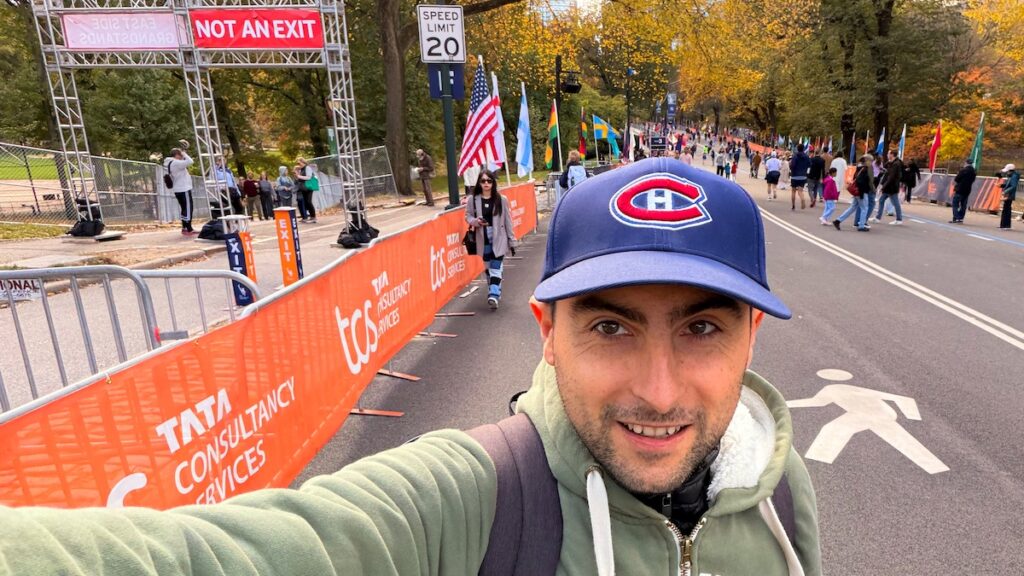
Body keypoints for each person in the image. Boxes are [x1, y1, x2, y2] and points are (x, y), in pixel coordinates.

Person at [0, 158, 822, 575]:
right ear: (546, 330)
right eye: (611, 327)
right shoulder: (477, 500)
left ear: (751, 337)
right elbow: (217, 556)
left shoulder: (781, 490)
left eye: (702, 329)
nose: (658, 390)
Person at [464, 169, 517, 310]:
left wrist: (512, 241)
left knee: (495, 266)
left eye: (489, 181)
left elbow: (508, 221)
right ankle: (495, 289)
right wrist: (476, 221)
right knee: (489, 268)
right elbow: (467, 216)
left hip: (499, 237)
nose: (486, 183)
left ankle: (493, 295)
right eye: (483, 181)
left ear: (493, 183)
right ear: (479, 183)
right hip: (483, 237)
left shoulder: (501, 199)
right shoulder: (473, 200)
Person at [833, 155, 874, 231]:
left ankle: (838, 220)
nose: (871, 163)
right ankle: (861, 226)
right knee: (864, 208)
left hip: (856, 192)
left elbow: (856, 179)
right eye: (871, 161)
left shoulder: (859, 168)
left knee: (852, 208)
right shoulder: (865, 170)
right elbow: (862, 182)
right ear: (867, 161)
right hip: (861, 192)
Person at [164, 145, 196, 236]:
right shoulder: (176, 163)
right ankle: (188, 228)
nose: (182, 156)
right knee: (188, 208)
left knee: (184, 208)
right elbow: (190, 161)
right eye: (180, 154)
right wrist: (184, 153)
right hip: (184, 188)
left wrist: (183, 151)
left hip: (178, 189)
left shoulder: (171, 163)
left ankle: (185, 227)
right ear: (177, 154)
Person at [872, 150, 904, 225]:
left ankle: (899, 219)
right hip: (888, 186)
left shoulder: (896, 164)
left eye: (888, 153)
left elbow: (891, 177)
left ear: (892, 154)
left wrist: (883, 186)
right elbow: (887, 173)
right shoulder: (891, 163)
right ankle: (878, 217)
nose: (887, 155)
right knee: (881, 200)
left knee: (895, 203)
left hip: (892, 187)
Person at [950, 158, 976, 224]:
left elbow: (957, 179)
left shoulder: (963, 170)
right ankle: (961, 218)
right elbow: (973, 180)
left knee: (955, 204)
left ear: (966, 163)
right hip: (967, 190)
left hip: (960, 189)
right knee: (963, 205)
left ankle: (956, 217)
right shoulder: (973, 171)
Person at [294, 157, 317, 224]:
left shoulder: (307, 168)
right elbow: (299, 179)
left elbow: (308, 177)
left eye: (299, 163)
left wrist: (299, 176)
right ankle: (311, 216)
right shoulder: (301, 169)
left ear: (303, 162)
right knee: (306, 202)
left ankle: (313, 217)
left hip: (308, 187)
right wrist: (297, 175)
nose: (298, 164)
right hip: (304, 188)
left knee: (309, 202)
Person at [789, 144, 810, 210]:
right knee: (800, 191)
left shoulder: (795, 156)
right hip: (803, 176)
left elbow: (792, 165)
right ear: (803, 149)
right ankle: (802, 199)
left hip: (795, 175)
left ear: (797, 149)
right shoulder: (806, 156)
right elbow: (809, 164)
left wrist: (791, 168)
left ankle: (793, 205)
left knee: (793, 191)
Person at [998, 163, 1018, 230]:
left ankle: (1006, 225)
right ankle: (1003, 225)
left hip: (1009, 194)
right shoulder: (1011, 176)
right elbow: (1008, 185)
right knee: (1005, 208)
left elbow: (1013, 186)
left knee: (1007, 209)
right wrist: (1001, 185)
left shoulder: (1014, 176)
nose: (1006, 172)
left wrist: (1005, 192)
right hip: (1008, 194)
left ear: (1010, 170)